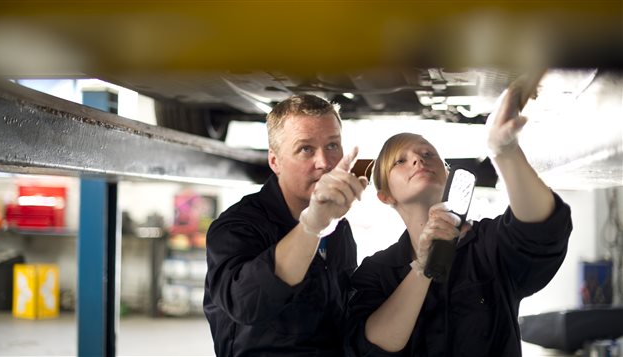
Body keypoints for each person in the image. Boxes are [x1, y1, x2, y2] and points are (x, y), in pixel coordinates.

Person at [345, 80, 573, 356]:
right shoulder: (376, 272)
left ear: (446, 173)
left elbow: (543, 229)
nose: (418, 158)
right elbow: (372, 346)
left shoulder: (488, 245)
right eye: (400, 161)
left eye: (428, 154)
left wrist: (505, 152)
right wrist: (423, 268)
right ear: (385, 195)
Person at [203, 94, 368, 356]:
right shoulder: (237, 226)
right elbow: (246, 304)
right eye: (306, 149)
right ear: (275, 161)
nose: (324, 162)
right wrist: (313, 226)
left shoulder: (339, 227)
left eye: (333, 145)